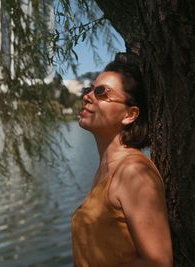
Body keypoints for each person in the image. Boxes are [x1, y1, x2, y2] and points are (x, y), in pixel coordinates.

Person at [71, 53, 173, 267]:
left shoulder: (134, 172)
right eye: (90, 89)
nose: (88, 96)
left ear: (130, 114)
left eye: (101, 92)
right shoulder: (107, 168)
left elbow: (158, 263)